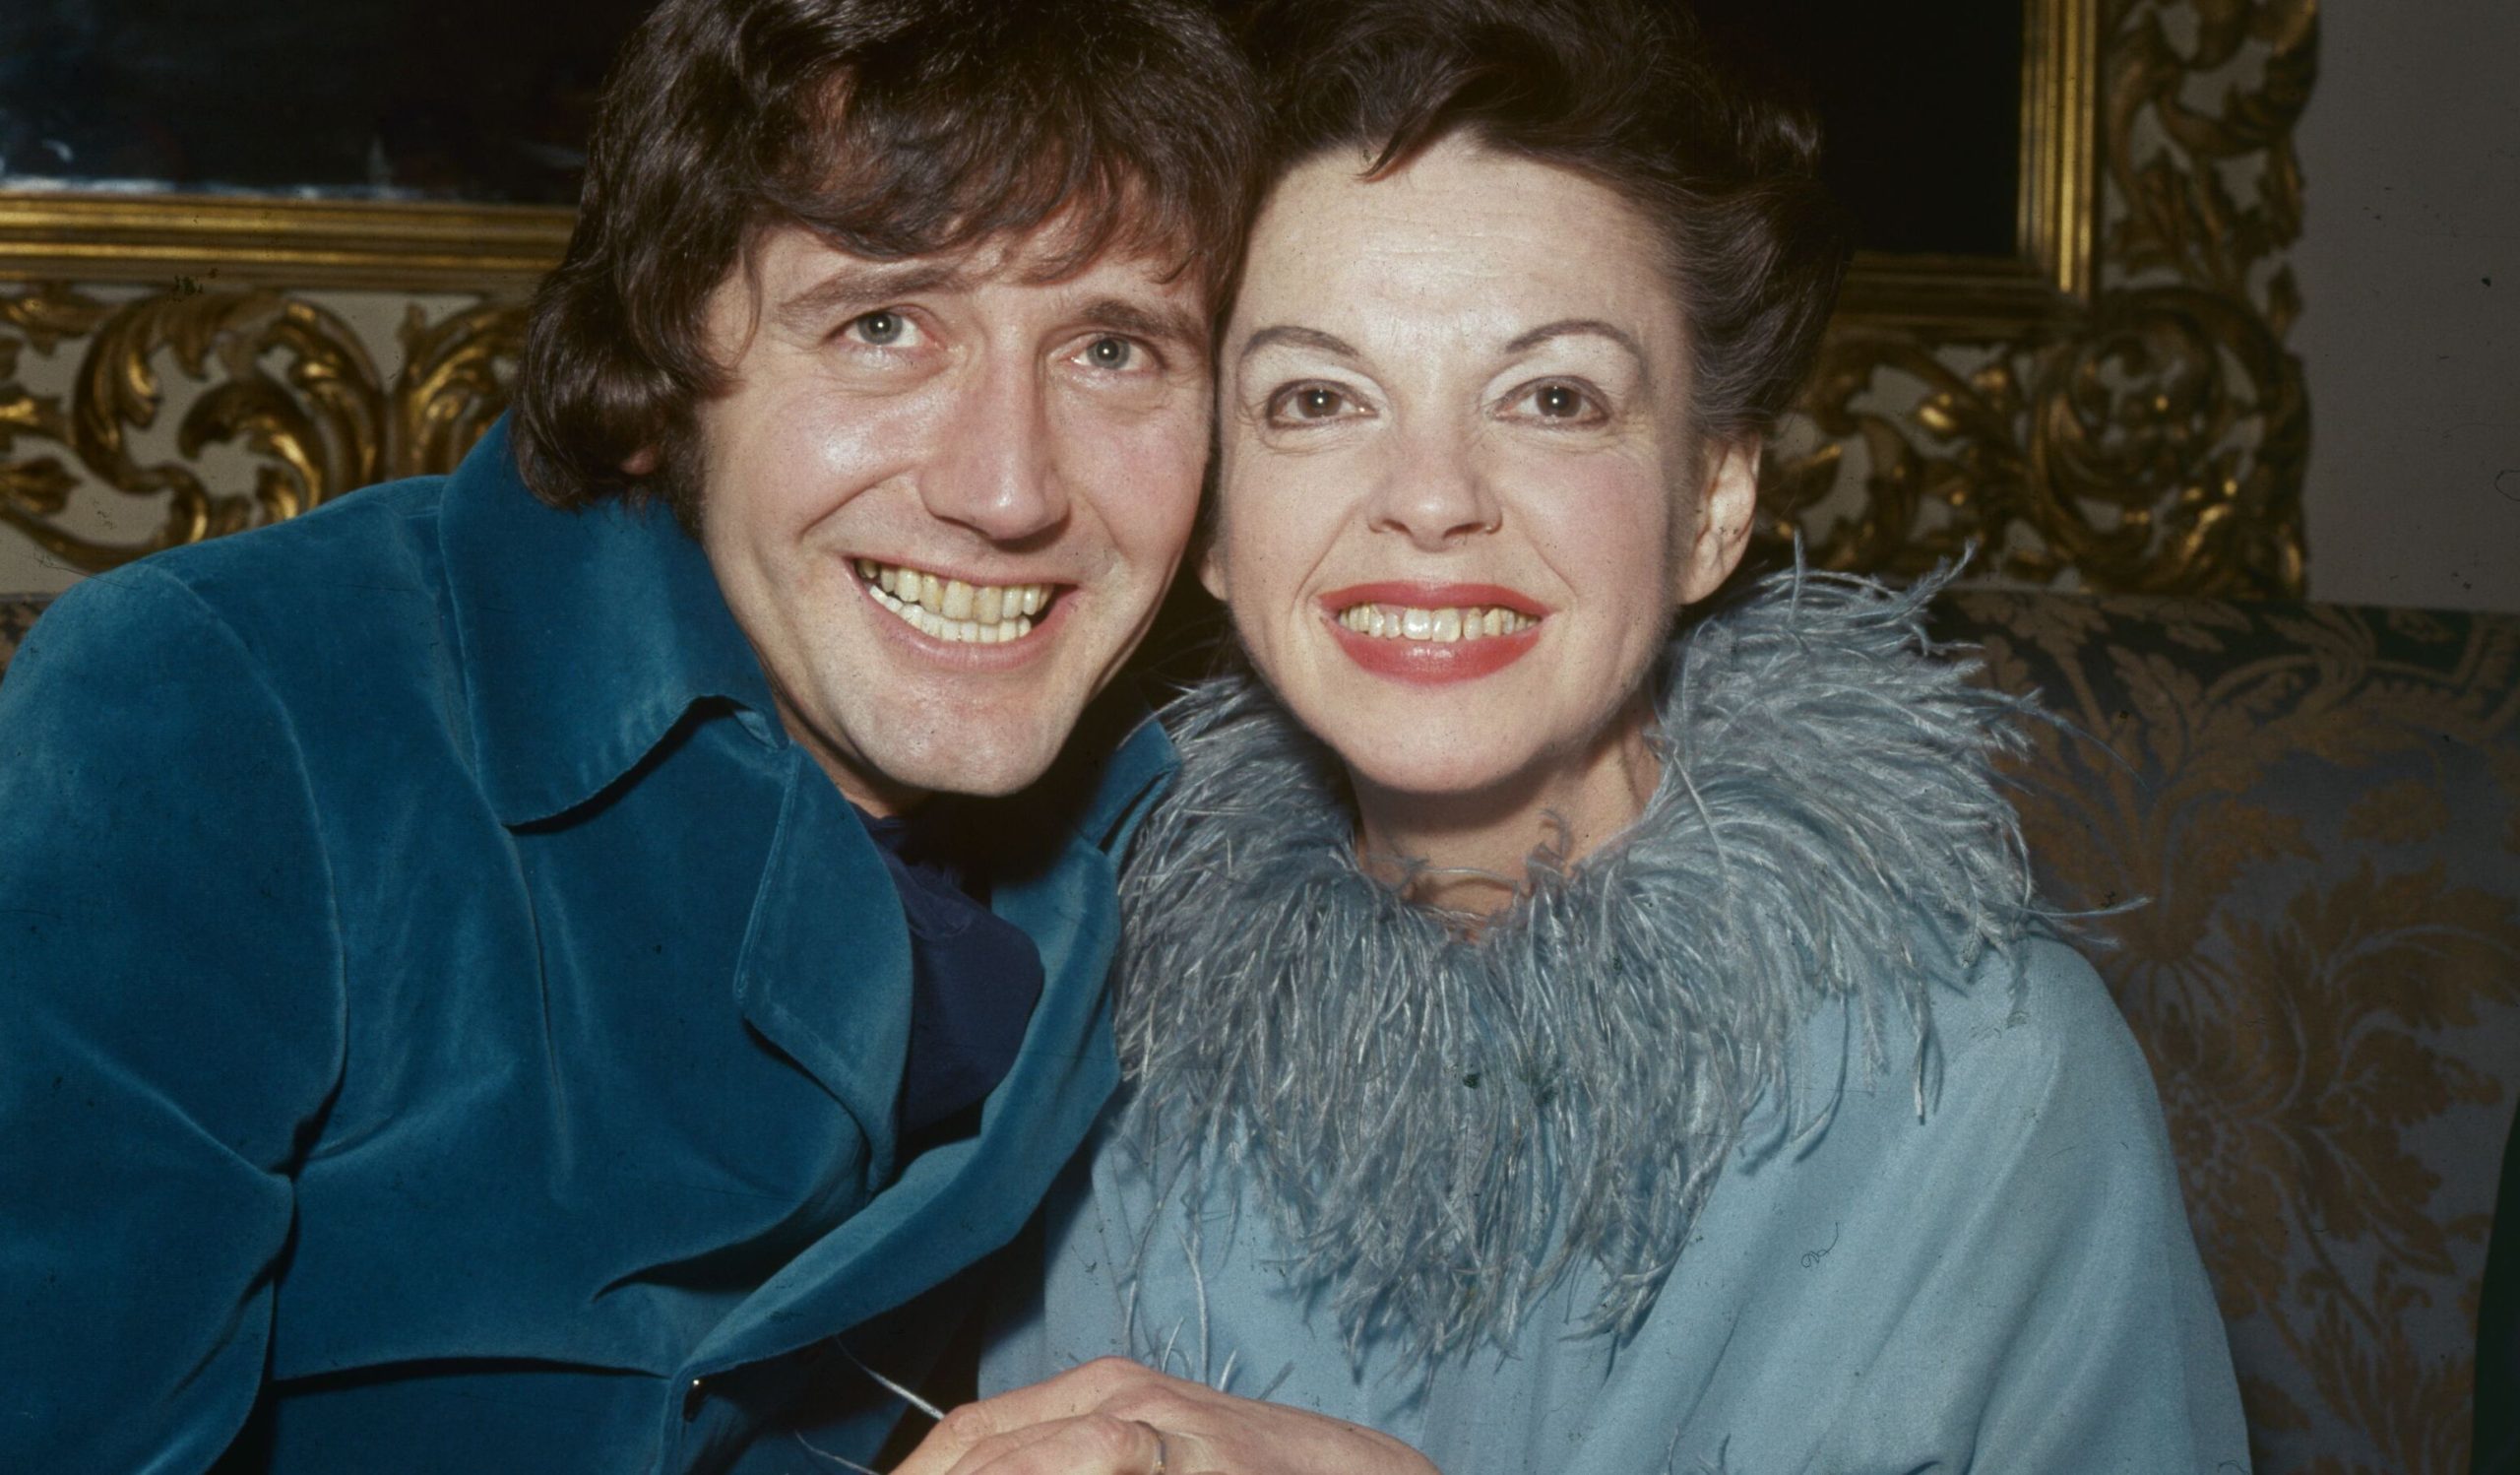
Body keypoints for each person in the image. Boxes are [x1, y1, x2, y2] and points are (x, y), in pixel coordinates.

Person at [897, 0, 2252, 1470]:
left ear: (1713, 502)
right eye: (1318, 397)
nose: (1430, 497)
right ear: (1216, 513)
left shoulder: (1994, 1076)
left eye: (1552, 397)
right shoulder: (1090, 1038)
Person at [0, 1, 1258, 1469]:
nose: (1008, 488)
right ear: (661, 363)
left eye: (1112, 348)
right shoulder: (223, 713)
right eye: (883, 325)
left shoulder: (1219, 800)